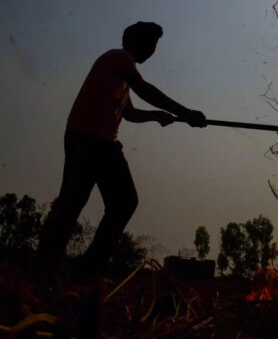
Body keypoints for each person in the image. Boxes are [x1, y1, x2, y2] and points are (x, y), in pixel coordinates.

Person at [37, 21, 207, 282]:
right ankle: (74, 268)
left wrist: (157, 116)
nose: (153, 50)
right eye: (152, 43)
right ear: (138, 42)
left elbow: (129, 113)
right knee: (111, 201)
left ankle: (62, 268)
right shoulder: (119, 59)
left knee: (79, 201)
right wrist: (185, 112)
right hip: (91, 139)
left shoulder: (122, 76)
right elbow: (145, 90)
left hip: (94, 140)